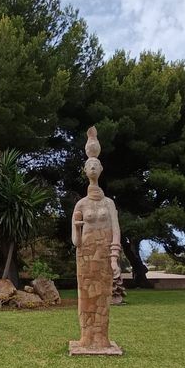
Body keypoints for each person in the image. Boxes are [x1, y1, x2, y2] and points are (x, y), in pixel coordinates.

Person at [71, 127, 121, 349]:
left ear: (101, 169)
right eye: (89, 165)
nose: (92, 167)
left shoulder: (108, 203)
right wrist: (77, 228)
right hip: (85, 256)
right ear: (85, 170)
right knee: (85, 296)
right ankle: (86, 336)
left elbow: (116, 230)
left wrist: (114, 257)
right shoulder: (81, 204)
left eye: (96, 164)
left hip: (104, 256)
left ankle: (101, 337)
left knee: (103, 296)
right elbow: (75, 241)